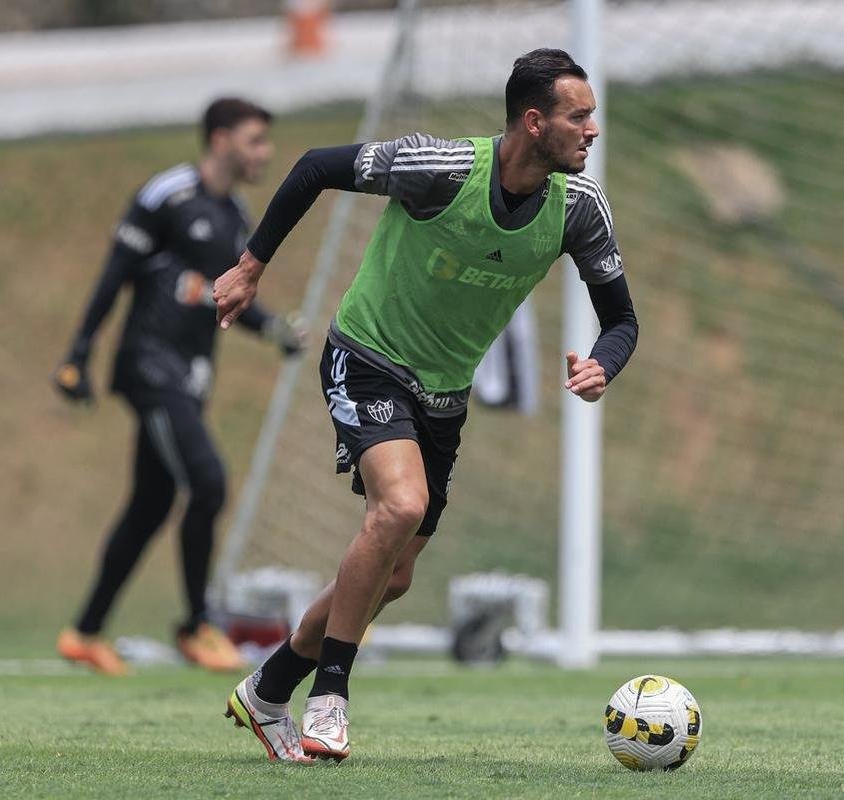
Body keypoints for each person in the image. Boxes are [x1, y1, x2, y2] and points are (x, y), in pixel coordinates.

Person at [214, 49, 638, 763]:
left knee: (397, 573)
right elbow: (317, 165)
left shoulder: (579, 209)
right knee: (400, 507)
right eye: (579, 116)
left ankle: (269, 688)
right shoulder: (438, 168)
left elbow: (622, 319)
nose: (592, 131)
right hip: (367, 357)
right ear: (534, 123)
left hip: (444, 394)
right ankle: (332, 699)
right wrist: (251, 266)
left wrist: (605, 363)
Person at [52, 98, 306, 677]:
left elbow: (221, 293)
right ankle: (197, 626)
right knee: (208, 483)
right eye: (254, 140)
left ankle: (85, 632)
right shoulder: (165, 195)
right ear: (220, 140)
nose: (263, 152)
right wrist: (78, 355)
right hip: (151, 368)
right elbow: (114, 274)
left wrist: (274, 330)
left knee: (151, 504)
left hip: (190, 376)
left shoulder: (235, 214)